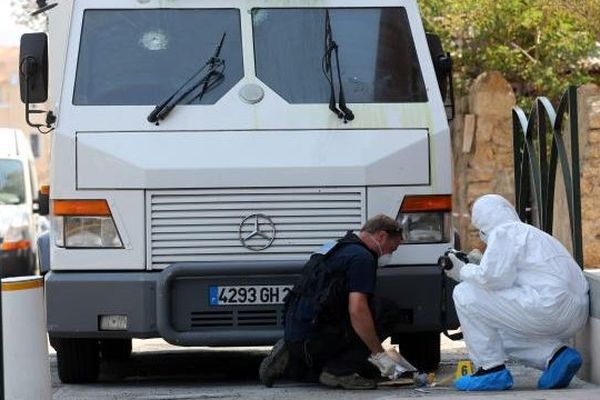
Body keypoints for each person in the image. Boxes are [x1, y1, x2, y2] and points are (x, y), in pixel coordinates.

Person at [445, 194, 589, 391]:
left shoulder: (504, 231)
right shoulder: (534, 234)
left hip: (548, 307)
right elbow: (512, 280)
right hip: (575, 315)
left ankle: (490, 370)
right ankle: (556, 356)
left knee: (465, 293)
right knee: (494, 330)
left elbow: (493, 279)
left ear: (483, 221)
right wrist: (478, 266)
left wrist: (461, 270)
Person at [259, 214, 411, 389]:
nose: (389, 254)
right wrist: (379, 354)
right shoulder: (362, 258)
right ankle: (339, 372)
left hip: (297, 330)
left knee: (367, 370)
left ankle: (290, 357)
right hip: (316, 336)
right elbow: (357, 310)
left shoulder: (336, 246)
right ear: (382, 236)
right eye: (392, 248)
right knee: (386, 311)